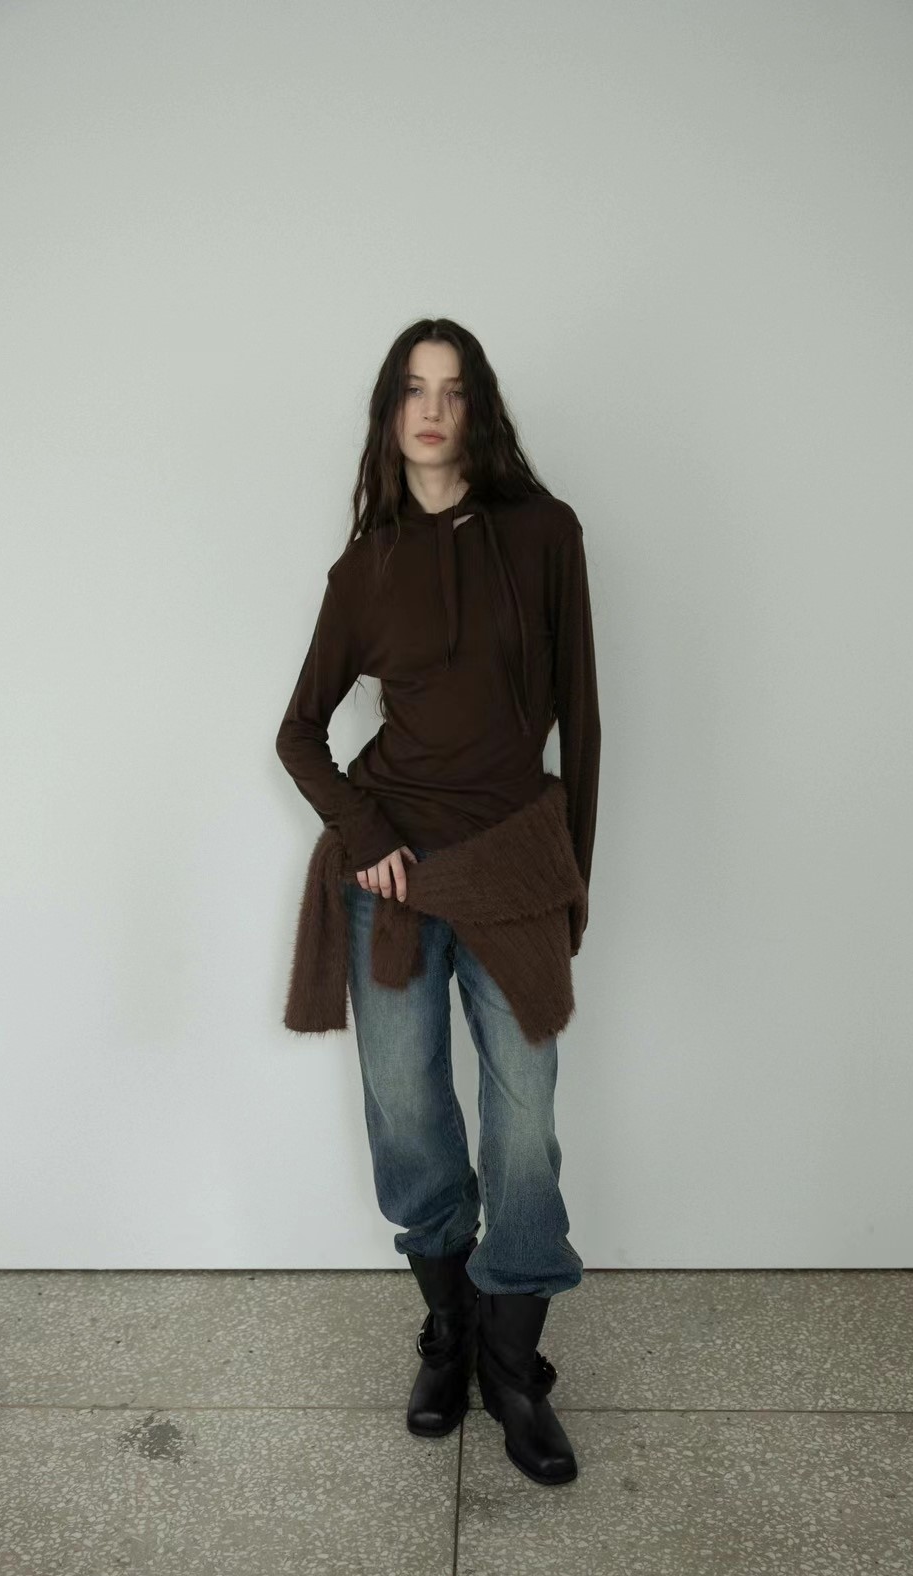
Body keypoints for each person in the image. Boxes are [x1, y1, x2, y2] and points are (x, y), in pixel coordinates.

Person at [276, 317, 601, 1486]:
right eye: (413, 390)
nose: (431, 410)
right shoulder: (366, 566)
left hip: (514, 870)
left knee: (523, 1125)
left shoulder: (546, 534)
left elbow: (583, 720)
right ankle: (451, 1329)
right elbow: (298, 732)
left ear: (478, 411)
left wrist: (574, 882)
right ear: (389, 412)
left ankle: (514, 1367)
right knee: (409, 1115)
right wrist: (366, 836)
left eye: (452, 391)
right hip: (398, 886)